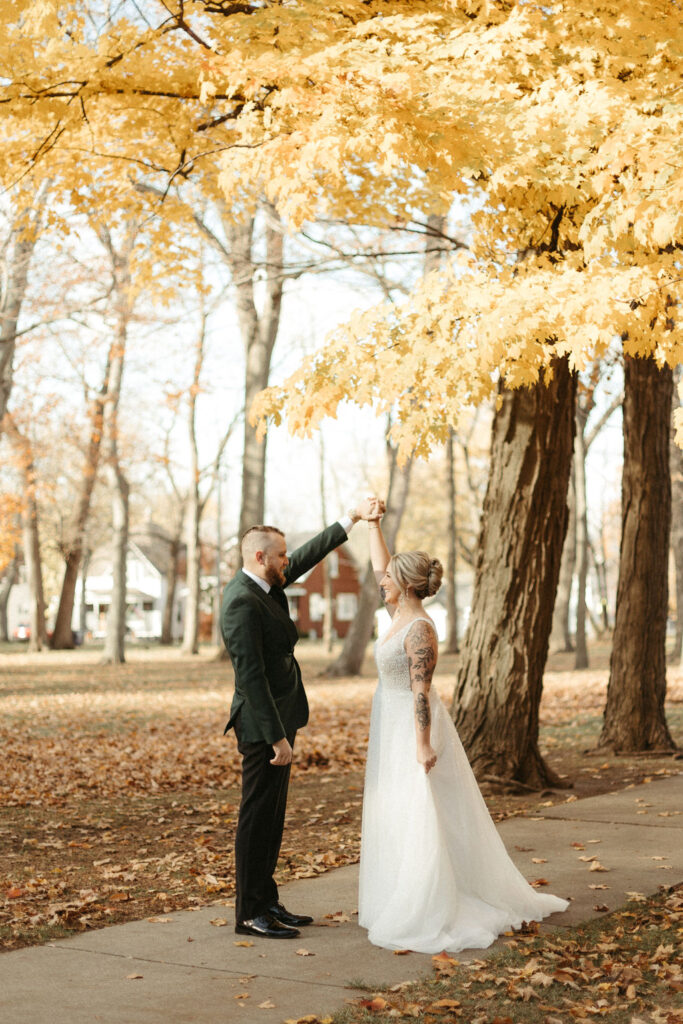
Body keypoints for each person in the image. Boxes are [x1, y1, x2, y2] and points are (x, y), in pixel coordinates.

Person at [358, 507, 569, 953]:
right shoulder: (396, 609)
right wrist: (373, 526)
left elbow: (421, 692)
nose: (382, 581)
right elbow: (380, 566)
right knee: (395, 811)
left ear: (408, 585)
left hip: (412, 729)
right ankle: (397, 891)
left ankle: (430, 902)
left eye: (391, 578)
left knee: (423, 813)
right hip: (389, 725)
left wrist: (421, 745)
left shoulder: (419, 629)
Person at [221, 499, 380, 940]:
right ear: (260, 557)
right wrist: (276, 739)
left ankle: (267, 900)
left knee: (273, 817)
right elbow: (249, 678)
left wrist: (352, 518)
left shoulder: (267, 582)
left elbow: (311, 553)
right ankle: (248, 913)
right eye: (281, 555)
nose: (288, 561)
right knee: (256, 819)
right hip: (261, 726)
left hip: (281, 717)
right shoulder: (240, 601)